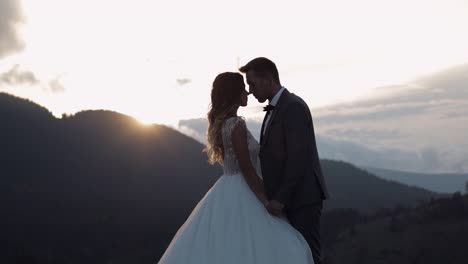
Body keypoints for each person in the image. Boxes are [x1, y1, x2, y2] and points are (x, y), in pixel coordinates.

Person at [157, 72, 314, 264]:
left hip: (227, 187)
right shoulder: (236, 124)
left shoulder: (222, 124)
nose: (247, 93)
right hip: (244, 188)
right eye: (243, 89)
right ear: (234, 93)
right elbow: (247, 167)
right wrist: (266, 201)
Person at [239, 57, 329, 264]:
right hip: (289, 198)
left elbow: (297, 158)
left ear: (268, 79)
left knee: (307, 255)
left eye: (252, 83)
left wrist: (281, 198)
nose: (250, 90)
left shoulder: (293, 106)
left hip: (302, 199)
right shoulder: (276, 107)